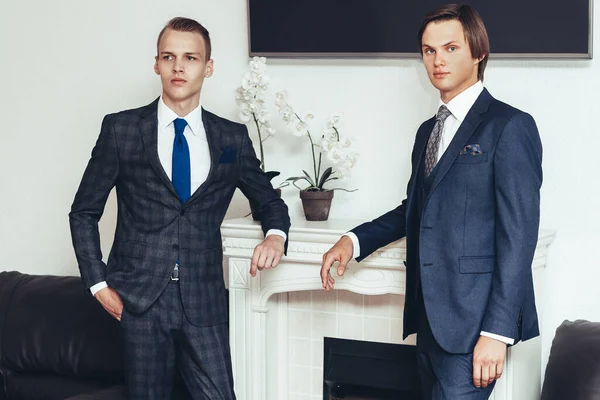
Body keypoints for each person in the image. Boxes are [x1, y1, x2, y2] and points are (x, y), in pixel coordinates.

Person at [320, 4, 542, 399]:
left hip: (475, 330)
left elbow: (519, 236)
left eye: (450, 48)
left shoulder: (510, 126)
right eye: (428, 51)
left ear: (478, 52)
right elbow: (414, 209)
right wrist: (351, 242)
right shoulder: (428, 131)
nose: (438, 60)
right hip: (429, 322)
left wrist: (497, 332)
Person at [69, 17, 290, 400]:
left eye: (190, 57)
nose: (179, 66)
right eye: (169, 56)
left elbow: (269, 200)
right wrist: (97, 283)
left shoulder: (230, 138)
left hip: (203, 301)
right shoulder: (121, 130)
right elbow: (84, 212)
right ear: (156, 63)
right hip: (140, 301)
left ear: (208, 67)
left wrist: (275, 236)